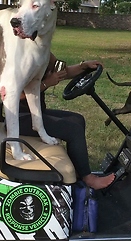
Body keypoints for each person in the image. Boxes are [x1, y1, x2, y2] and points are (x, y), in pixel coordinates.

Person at [19, 53, 115, 190]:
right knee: (73, 130)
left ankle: (78, 171)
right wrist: (46, 83)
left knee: (77, 119)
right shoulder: (22, 59)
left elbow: (64, 71)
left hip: (37, 114)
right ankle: (89, 178)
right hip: (21, 119)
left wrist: (84, 66)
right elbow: (18, 95)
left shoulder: (44, 54)